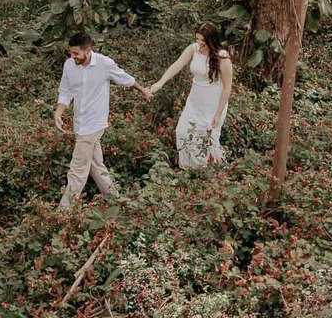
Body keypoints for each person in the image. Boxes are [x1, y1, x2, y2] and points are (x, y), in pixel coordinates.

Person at [54, 31, 152, 209]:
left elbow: (125, 78)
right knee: (96, 165)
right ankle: (116, 200)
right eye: (70, 52)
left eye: (76, 53)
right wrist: (58, 113)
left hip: (94, 123)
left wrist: (143, 90)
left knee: (77, 170)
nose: (72, 56)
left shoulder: (104, 64)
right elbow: (66, 91)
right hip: (79, 123)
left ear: (87, 50)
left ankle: (63, 212)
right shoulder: (69, 65)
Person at [150, 22, 233, 169]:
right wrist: (160, 82)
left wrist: (218, 113)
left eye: (203, 40)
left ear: (211, 40)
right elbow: (176, 66)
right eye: (197, 39)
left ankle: (210, 171)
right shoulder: (193, 49)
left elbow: (227, 88)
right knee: (182, 132)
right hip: (195, 99)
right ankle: (189, 169)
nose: (199, 43)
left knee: (207, 137)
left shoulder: (222, 57)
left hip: (213, 103)